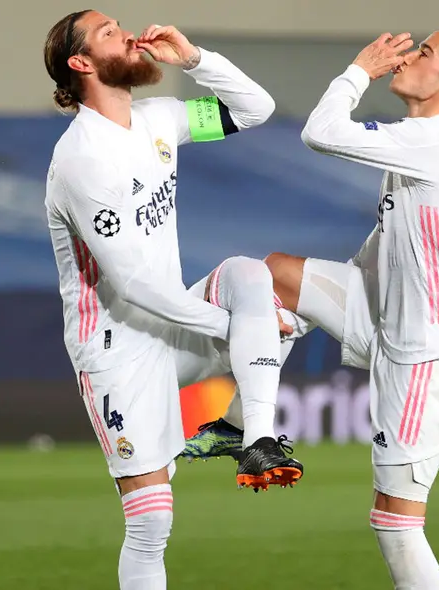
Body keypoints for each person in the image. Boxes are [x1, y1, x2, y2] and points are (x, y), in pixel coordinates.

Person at [187, 24, 439, 590]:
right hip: (385, 309)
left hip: (426, 357)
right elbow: (392, 241)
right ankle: (239, 428)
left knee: (395, 524)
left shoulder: (435, 142)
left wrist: (360, 69)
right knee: (276, 276)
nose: (407, 55)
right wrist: (318, 303)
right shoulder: (424, 140)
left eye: (424, 52)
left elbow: (320, 131)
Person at [43, 10, 300, 589]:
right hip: (116, 349)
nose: (128, 33)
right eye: (109, 31)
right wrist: (235, 329)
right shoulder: (82, 159)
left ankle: (253, 435)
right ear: (82, 63)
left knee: (249, 276)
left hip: (175, 326)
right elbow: (134, 285)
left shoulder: (160, 119)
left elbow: (256, 108)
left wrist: (195, 60)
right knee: (152, 520)